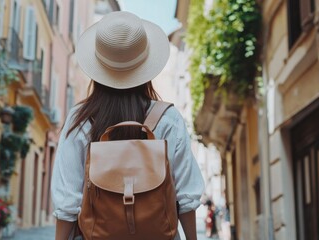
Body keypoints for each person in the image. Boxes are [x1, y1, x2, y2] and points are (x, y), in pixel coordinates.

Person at [51, 11, 205, 240]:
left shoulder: (80, 120)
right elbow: (187, 196)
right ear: (145, 66)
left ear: (98, 67)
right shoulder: (169, 119)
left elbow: (67, 202)